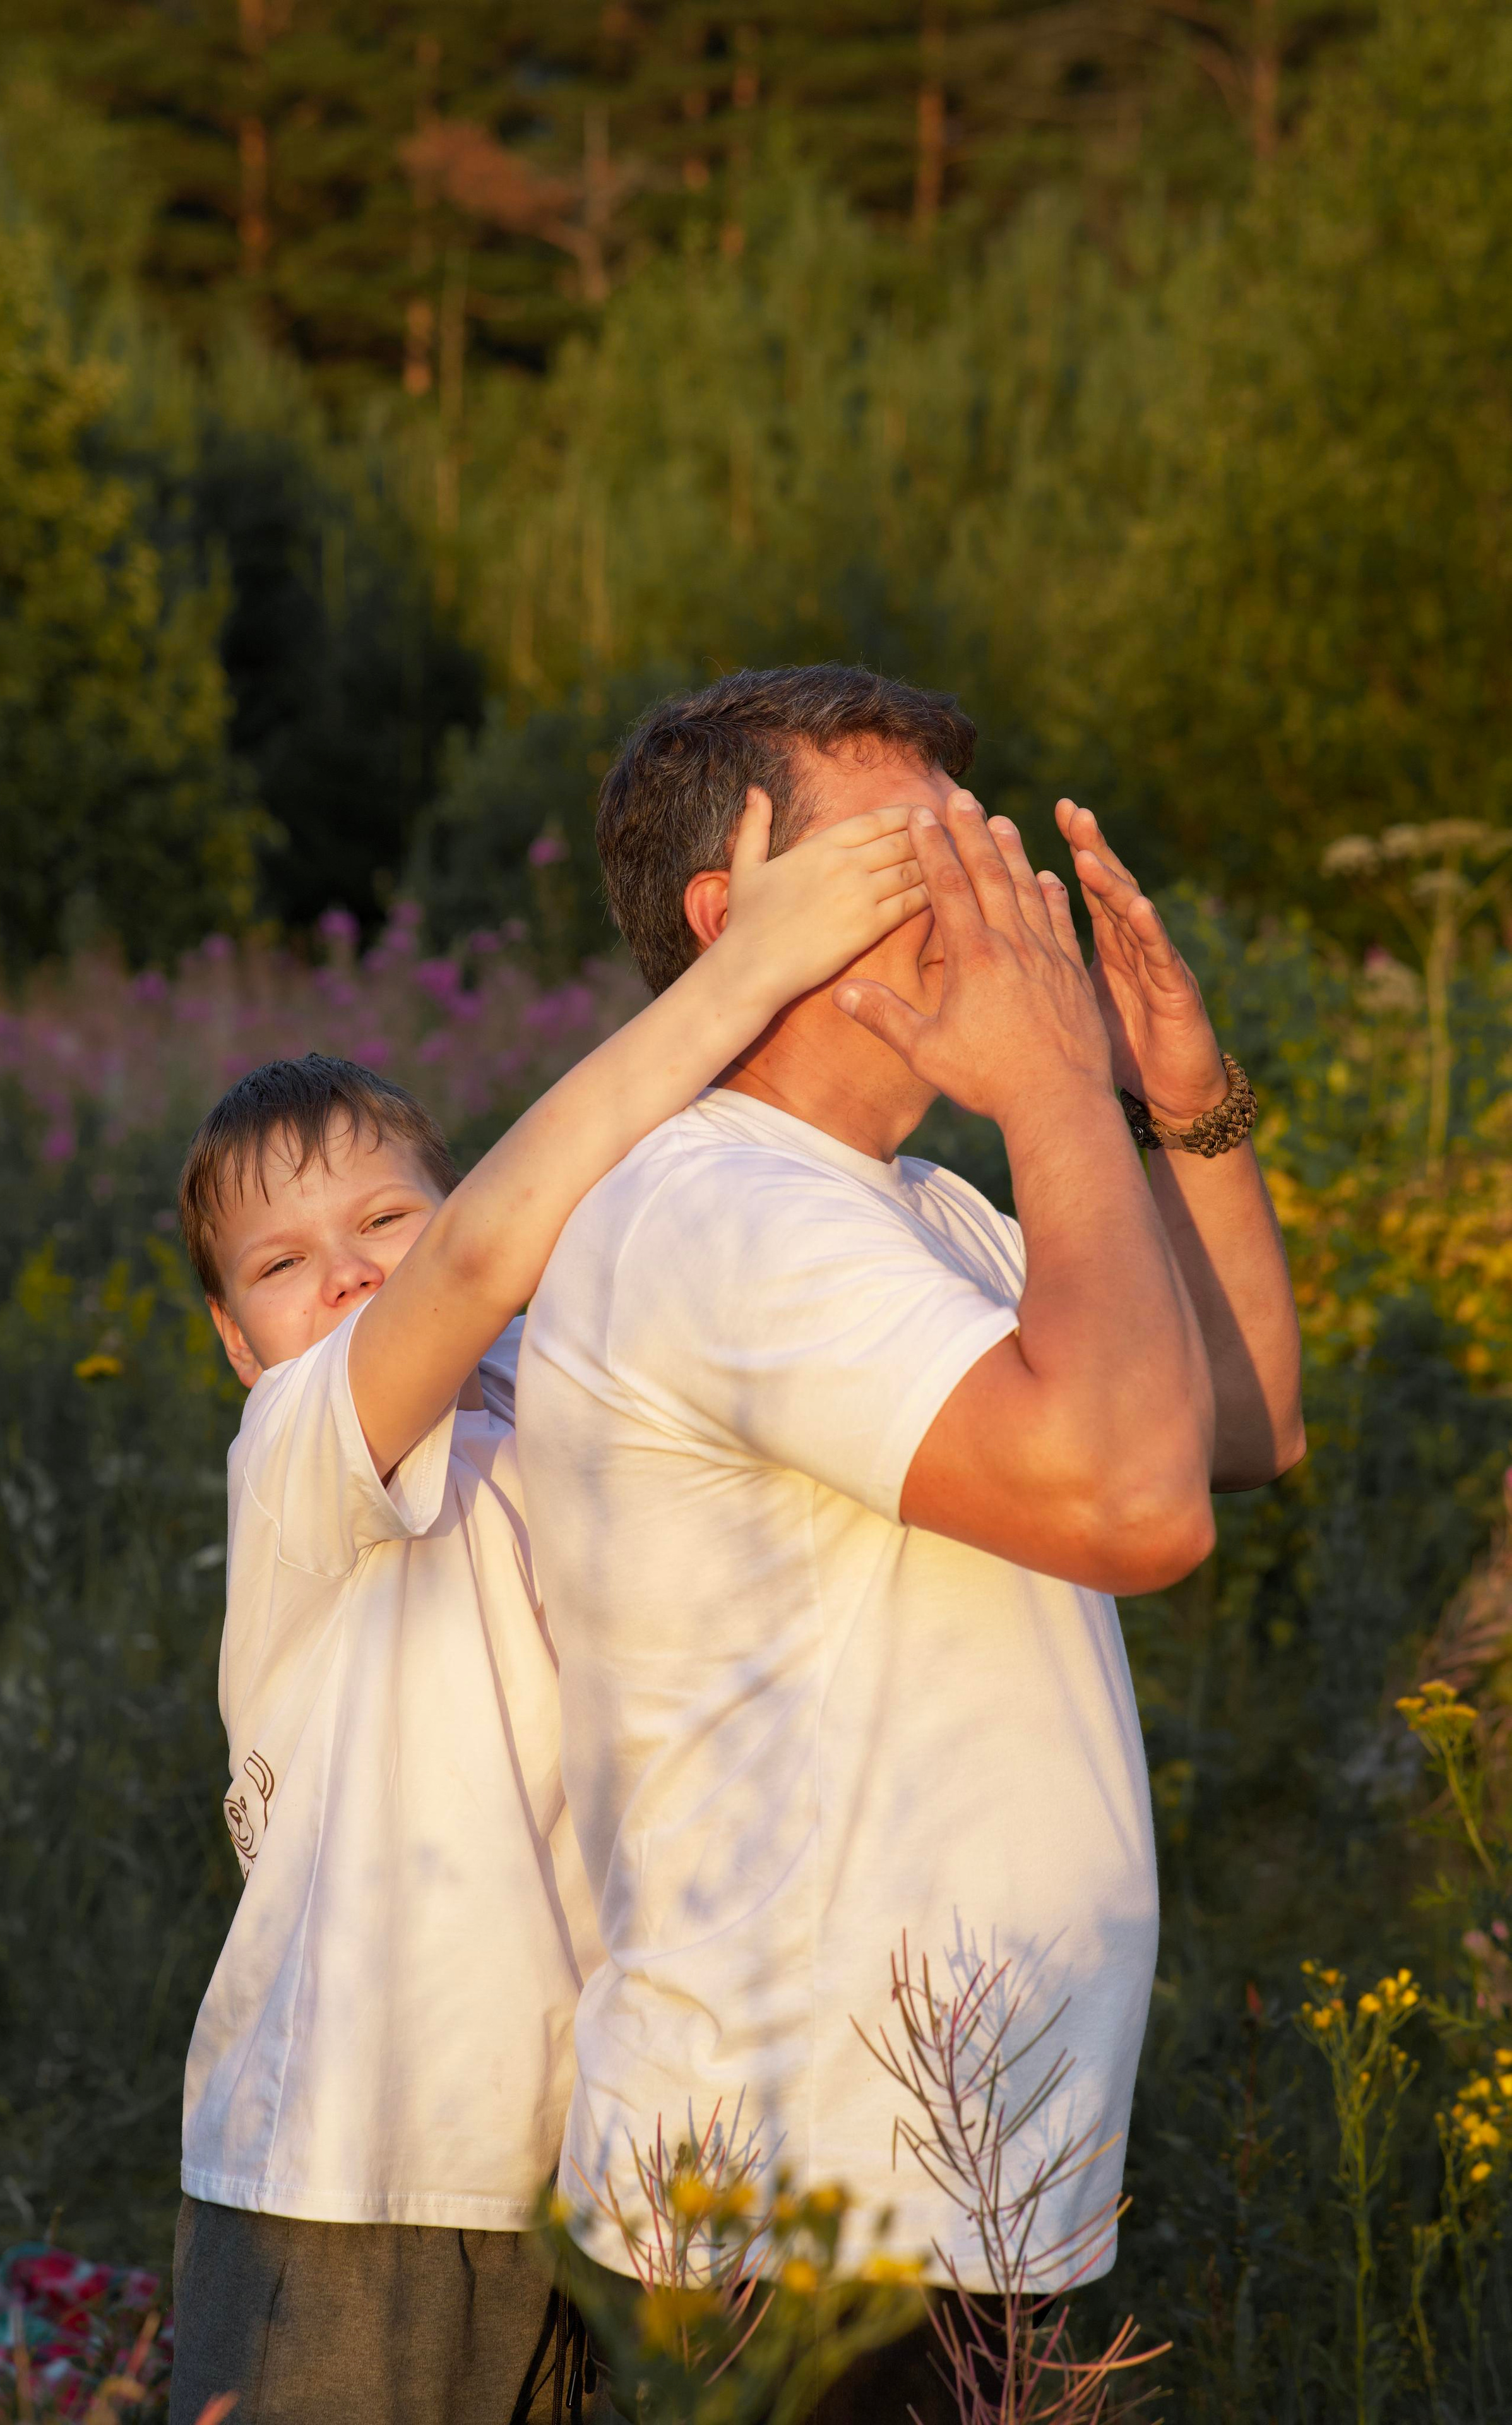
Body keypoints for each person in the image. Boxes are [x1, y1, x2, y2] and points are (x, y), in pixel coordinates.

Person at [515, 664, 1305, 2419]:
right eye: (901, 859)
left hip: (945, 2182)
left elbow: (1238, 1427)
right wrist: (1044, 1091)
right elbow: (1130, 1508)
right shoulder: (721, 1212)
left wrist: (1172, 1098)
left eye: (970, 844)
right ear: (733, 920)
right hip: (804, 2190)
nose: (969, 897)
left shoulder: (913, 1210)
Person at [164, 791, 929, 2425]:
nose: (354, 1273)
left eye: (385, 1219)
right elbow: (483, 1259)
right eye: (284, 1266)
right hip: (349, 2163)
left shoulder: (566, 1406)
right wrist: (736, 976)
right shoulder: (300, 1452)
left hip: (587, 2162)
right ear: (236, 1345)